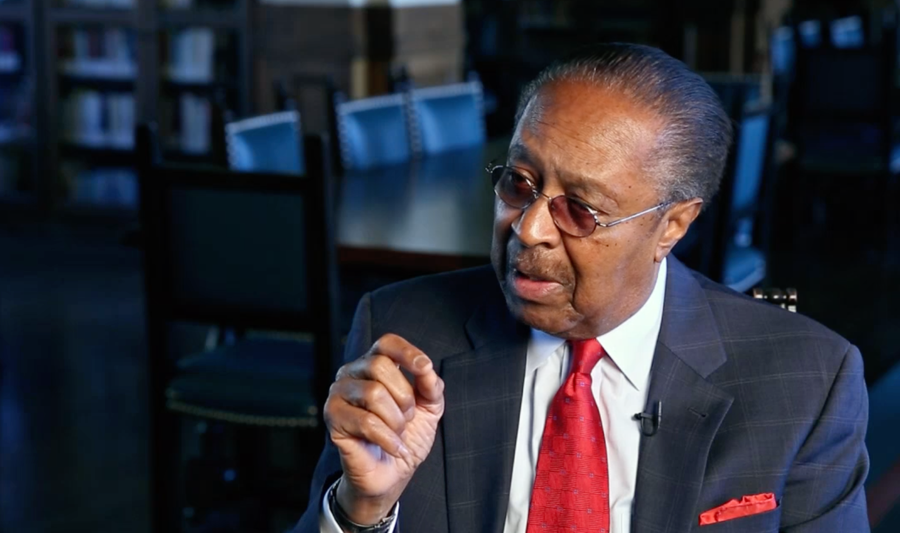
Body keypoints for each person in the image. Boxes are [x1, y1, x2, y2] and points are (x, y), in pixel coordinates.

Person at [294, 43, 869, 533]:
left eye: (580, 210)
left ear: (672, 225)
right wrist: (363, 510)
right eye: (520, 183)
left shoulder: (810, 382)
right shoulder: (402, 330)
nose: (528, 228)